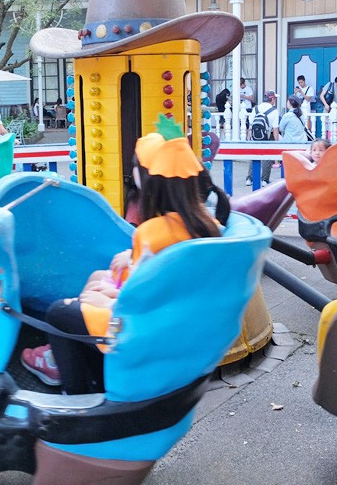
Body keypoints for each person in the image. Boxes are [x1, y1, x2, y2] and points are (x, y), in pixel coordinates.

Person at [21, 116, 228, 393]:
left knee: (59, 310)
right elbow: (162, 273)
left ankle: (76, 387)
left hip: (140, 323)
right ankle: (70, 352)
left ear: (148, 181)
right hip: (174, 313)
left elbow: (138, 289)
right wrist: (129, 261)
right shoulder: (209, 224)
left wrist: (109, 294)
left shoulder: (153, 232)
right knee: (97, 277)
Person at [247, 91, 279, 187]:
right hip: (266, 136)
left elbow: (251, 125)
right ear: (272, 99)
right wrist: (277, 143)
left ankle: (249, 178)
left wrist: (249, 137)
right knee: (266, 157)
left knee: (253, 157)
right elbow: (275, 128)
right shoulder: (274, 111)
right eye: (275, 99)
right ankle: (264, 180)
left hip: (255, 136)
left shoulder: (255, 108)